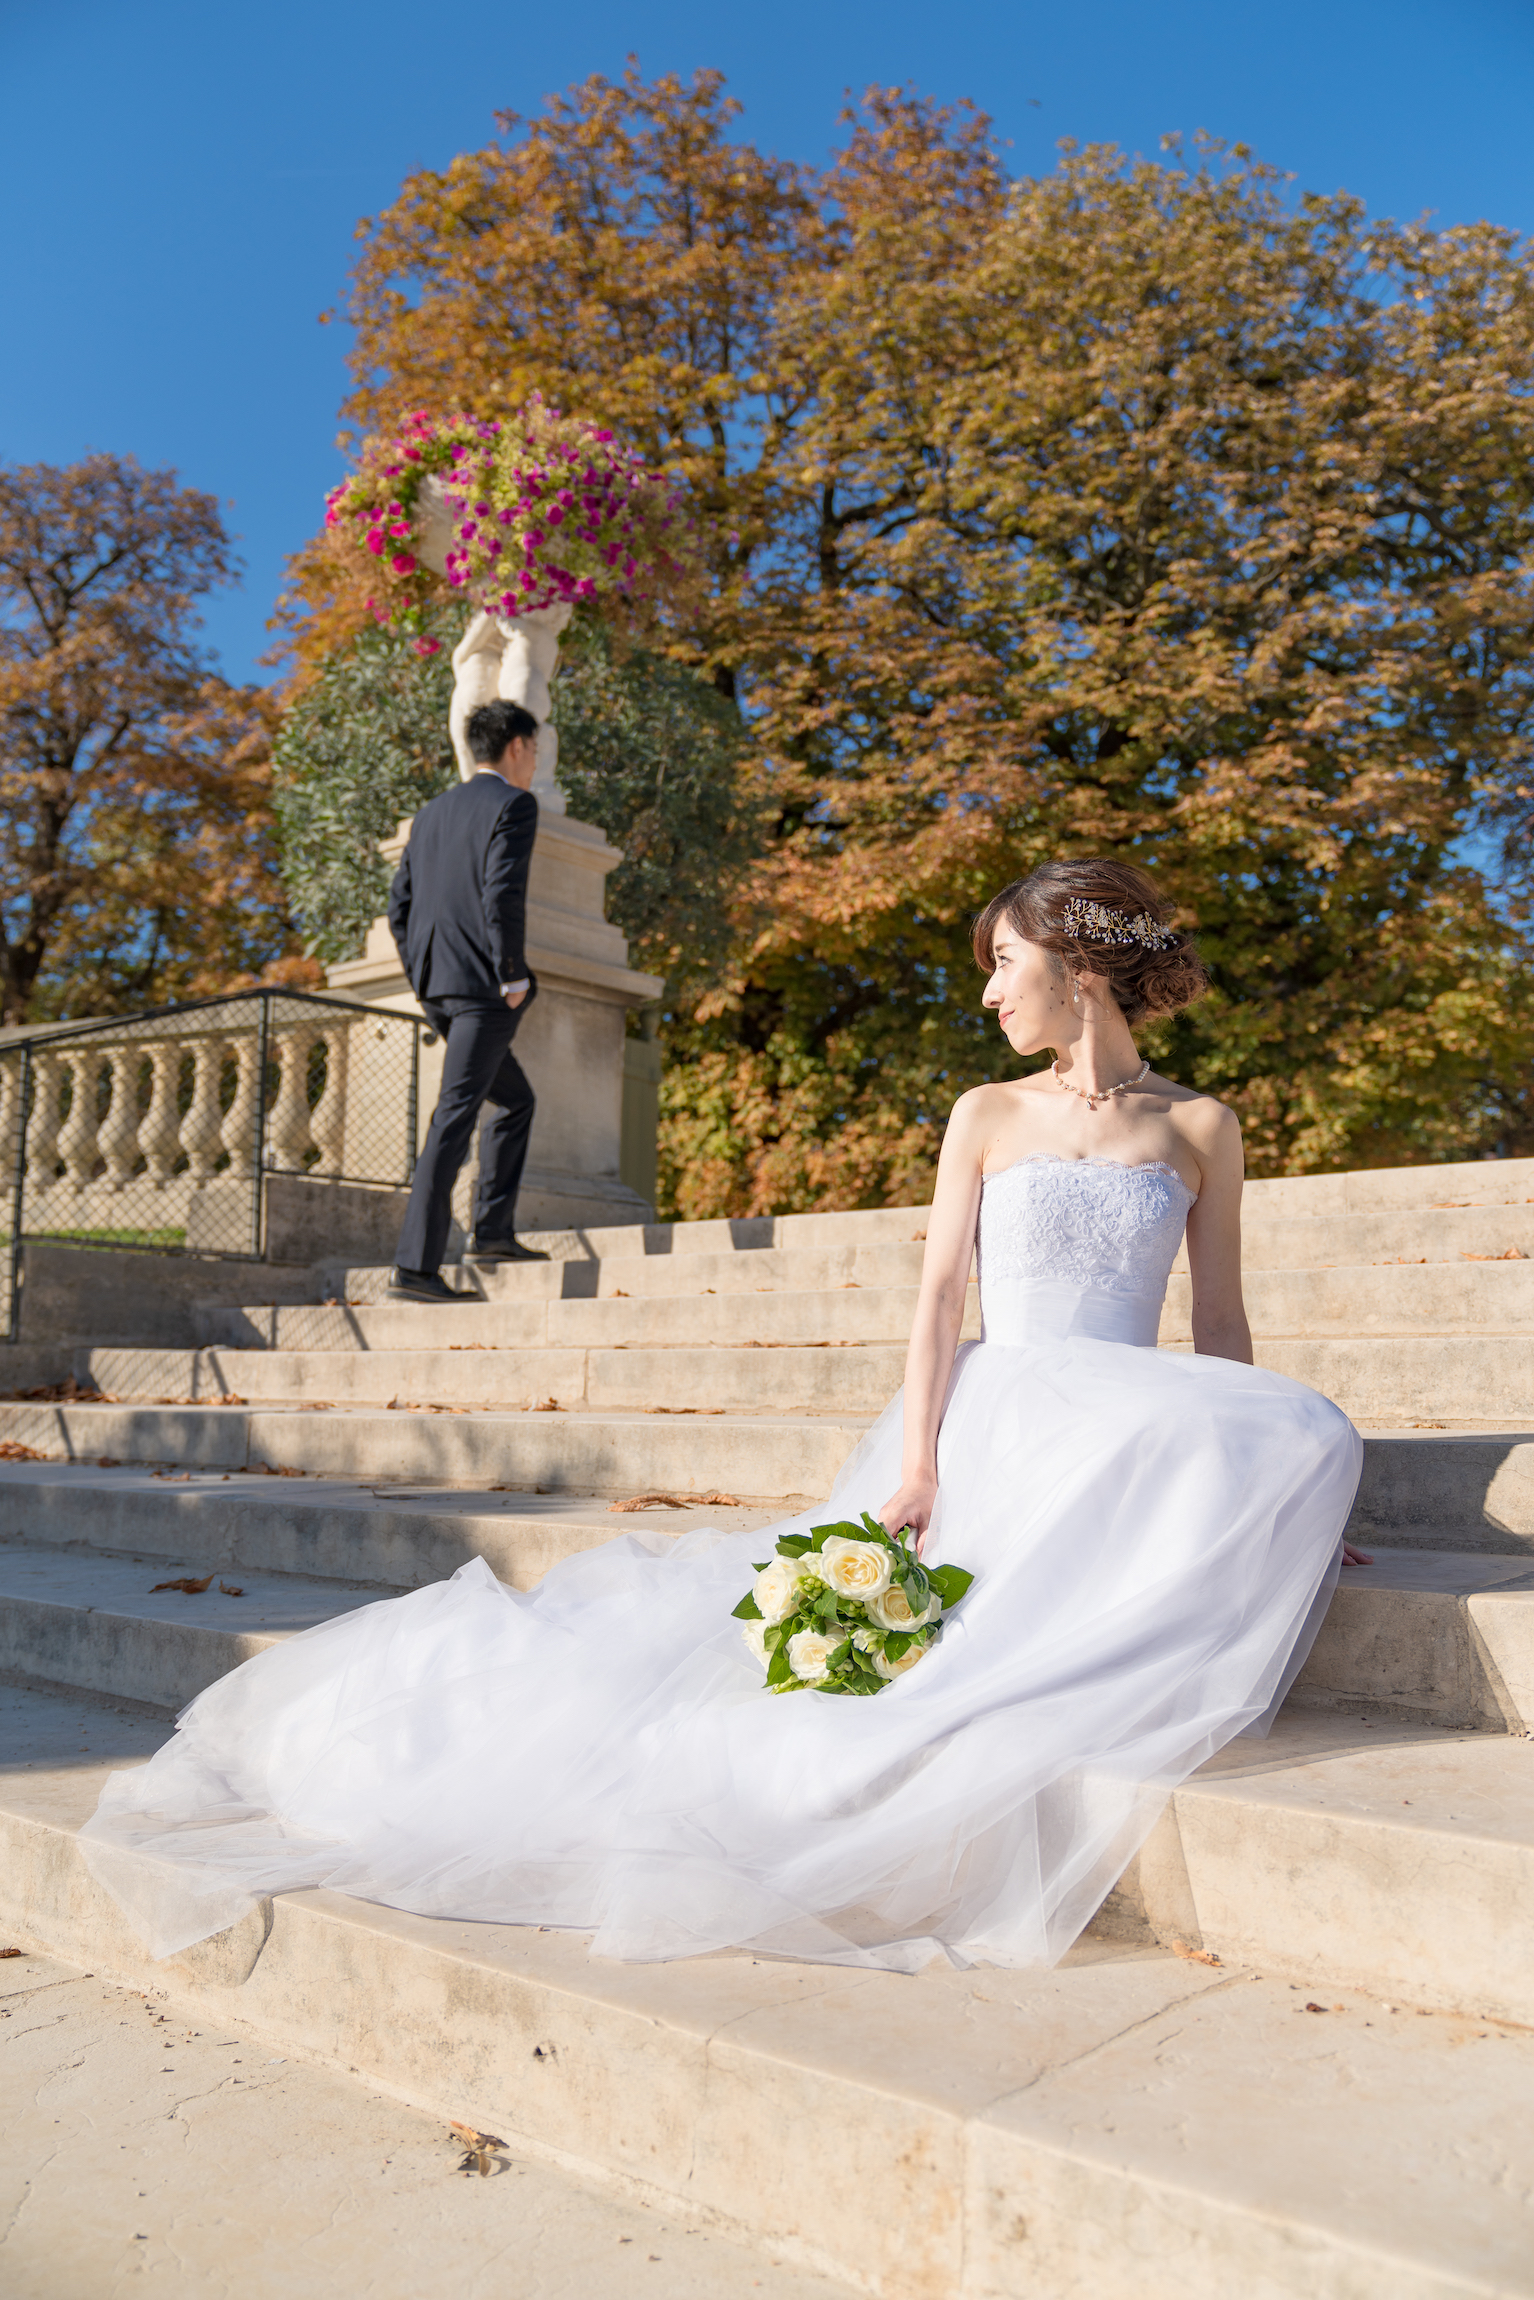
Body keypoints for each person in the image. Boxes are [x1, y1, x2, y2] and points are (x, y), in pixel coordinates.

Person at [82, 860, 1366, 1974]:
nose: (987, 992)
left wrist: (1270, 1490)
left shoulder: (1201, 1124)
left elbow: (1221, 1322)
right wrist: (918, 1462)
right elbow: (938, 1299)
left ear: (1080, 970)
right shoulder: (986, 1113)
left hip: (1124, 1414)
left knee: (1308, 1430)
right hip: (995, 1411)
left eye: (1004, 964)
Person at [386, 698, 550, 1303]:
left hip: (439, 985)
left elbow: (398, 908)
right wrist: (511, 975)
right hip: (483, 989)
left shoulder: (430, 813)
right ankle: (415, 1269)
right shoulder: (514, 804)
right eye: (534, 750)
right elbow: (502, 891)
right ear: (516, 746)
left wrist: (422, 977)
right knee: (453, 1119)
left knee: (515, 1101)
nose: (535, 762)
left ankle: (493, 1232)